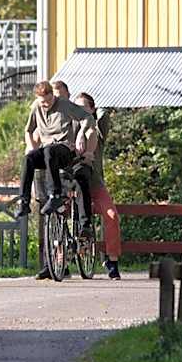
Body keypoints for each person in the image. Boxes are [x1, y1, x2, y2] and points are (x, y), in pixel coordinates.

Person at [16, 80, 93, 219]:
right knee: (29, 158)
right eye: (43, 102)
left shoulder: (64, 104)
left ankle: (55, 195)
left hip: (65, 149)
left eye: (49, 101)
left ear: (52, 95)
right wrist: (31, 146)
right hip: (48, 151)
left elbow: (87, 117)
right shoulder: (36, 107)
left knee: (49, 151)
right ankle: (24, 201)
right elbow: (28, 130)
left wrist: (81, 134)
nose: (46, 104)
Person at [74, 92, 122, 280]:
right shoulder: (69, 128)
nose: (79, 111)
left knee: (112, 216)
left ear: (92, 109)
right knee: (60, 212)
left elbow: (104, 114)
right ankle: (60, 259)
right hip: (75, 186)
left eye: (83, 107)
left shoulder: (97, 130)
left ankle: (112, 260)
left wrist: (90, 116)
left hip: (95, 184)